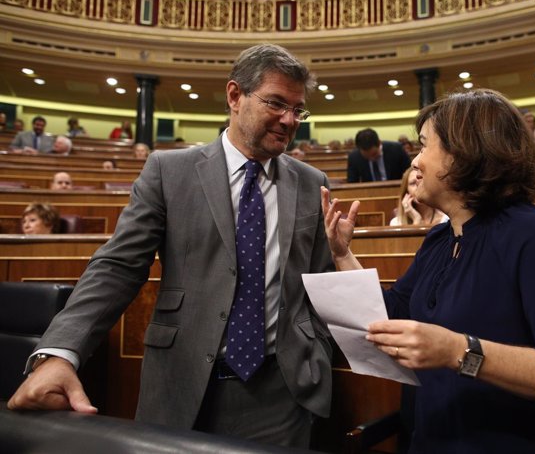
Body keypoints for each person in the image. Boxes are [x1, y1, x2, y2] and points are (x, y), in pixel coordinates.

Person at [8, 43, 334, 449]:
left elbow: (319, 281)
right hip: (182, 384)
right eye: (276, 103)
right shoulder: (169, 171)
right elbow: (119, 266)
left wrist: (312, 347)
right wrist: (59, 353)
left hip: (281, 391)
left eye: (297, 109)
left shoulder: (311, 182)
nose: (289, 120)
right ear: (235, 96)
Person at [321, 88, 535, 452]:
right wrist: (343, 254)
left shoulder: (529, 233)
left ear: (463, 154)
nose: (415, 162)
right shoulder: (441, 238)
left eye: (424, 146)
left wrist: (459, 350)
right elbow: (391, 315)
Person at [346, 128, 411, 182]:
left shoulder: (396, 149)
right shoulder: (354, 157)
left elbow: (410, 173)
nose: (372, 159)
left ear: (379, 142)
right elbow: (352, 182)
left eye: (374, 154)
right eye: (367, 157)